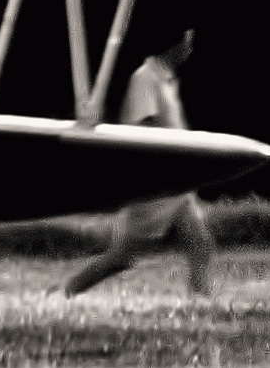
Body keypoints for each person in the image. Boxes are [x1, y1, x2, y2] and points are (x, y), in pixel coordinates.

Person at [64, 30, 217, 296]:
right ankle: (70, 289)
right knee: (123, 257)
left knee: (200, 243)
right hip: (154, 185)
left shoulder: (166, 79)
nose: (190, 47)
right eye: (188, 40)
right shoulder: (145, 78)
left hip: (176, 183)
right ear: (176, 42)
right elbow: (140, 127)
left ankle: (201, 300)